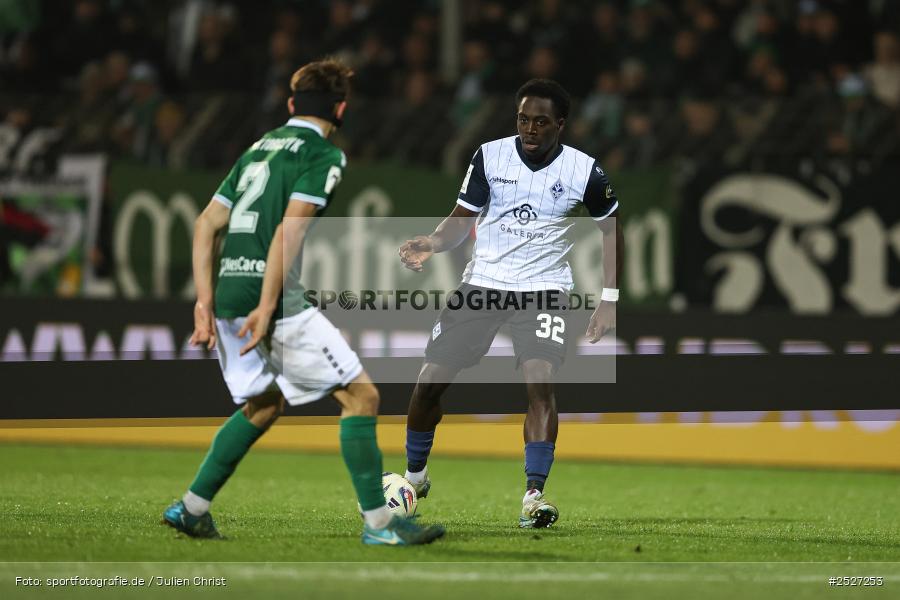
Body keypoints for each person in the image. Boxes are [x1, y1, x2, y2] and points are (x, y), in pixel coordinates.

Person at [163, 58, 444, 546]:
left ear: (292, 104)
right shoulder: (323, 156)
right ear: (340, 109)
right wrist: (268, 305)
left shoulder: (256, 150)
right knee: (362, 396)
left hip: (228, 292)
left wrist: (203, 302)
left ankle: (192, 508)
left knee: (264, 404)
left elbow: (206, 223)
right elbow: (287, 234)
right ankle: (380, 525)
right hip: (268, 299)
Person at [398, 78, 623, 528]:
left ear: (560, 124)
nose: (530, 129)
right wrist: (432, 242)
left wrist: (609, 301)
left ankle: (533, 497)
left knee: (540, 382)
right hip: (483, 283)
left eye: (541, 121)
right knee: (428, 384)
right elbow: (462, 219)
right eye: (523, 119)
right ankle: (413, 478)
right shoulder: (489, 155)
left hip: (544, 289)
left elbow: (612, 231)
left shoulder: (585, 171)